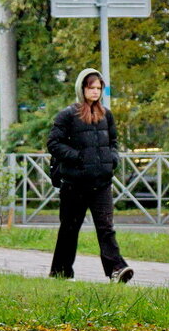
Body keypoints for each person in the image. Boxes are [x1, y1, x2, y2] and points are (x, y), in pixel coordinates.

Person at [47, 68, 134, 283]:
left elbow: (113, 142)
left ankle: (116, 269)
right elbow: (53, 144)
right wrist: (78, 157)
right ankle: (60, 272)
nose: (95, 92)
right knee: (69, 229)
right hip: (74, 184)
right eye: (91, 87)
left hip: (101, 183)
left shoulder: (107, 115)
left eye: (98, 88)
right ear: (82, 89)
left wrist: (112, 159)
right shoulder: (68, 115)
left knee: (106, 228)